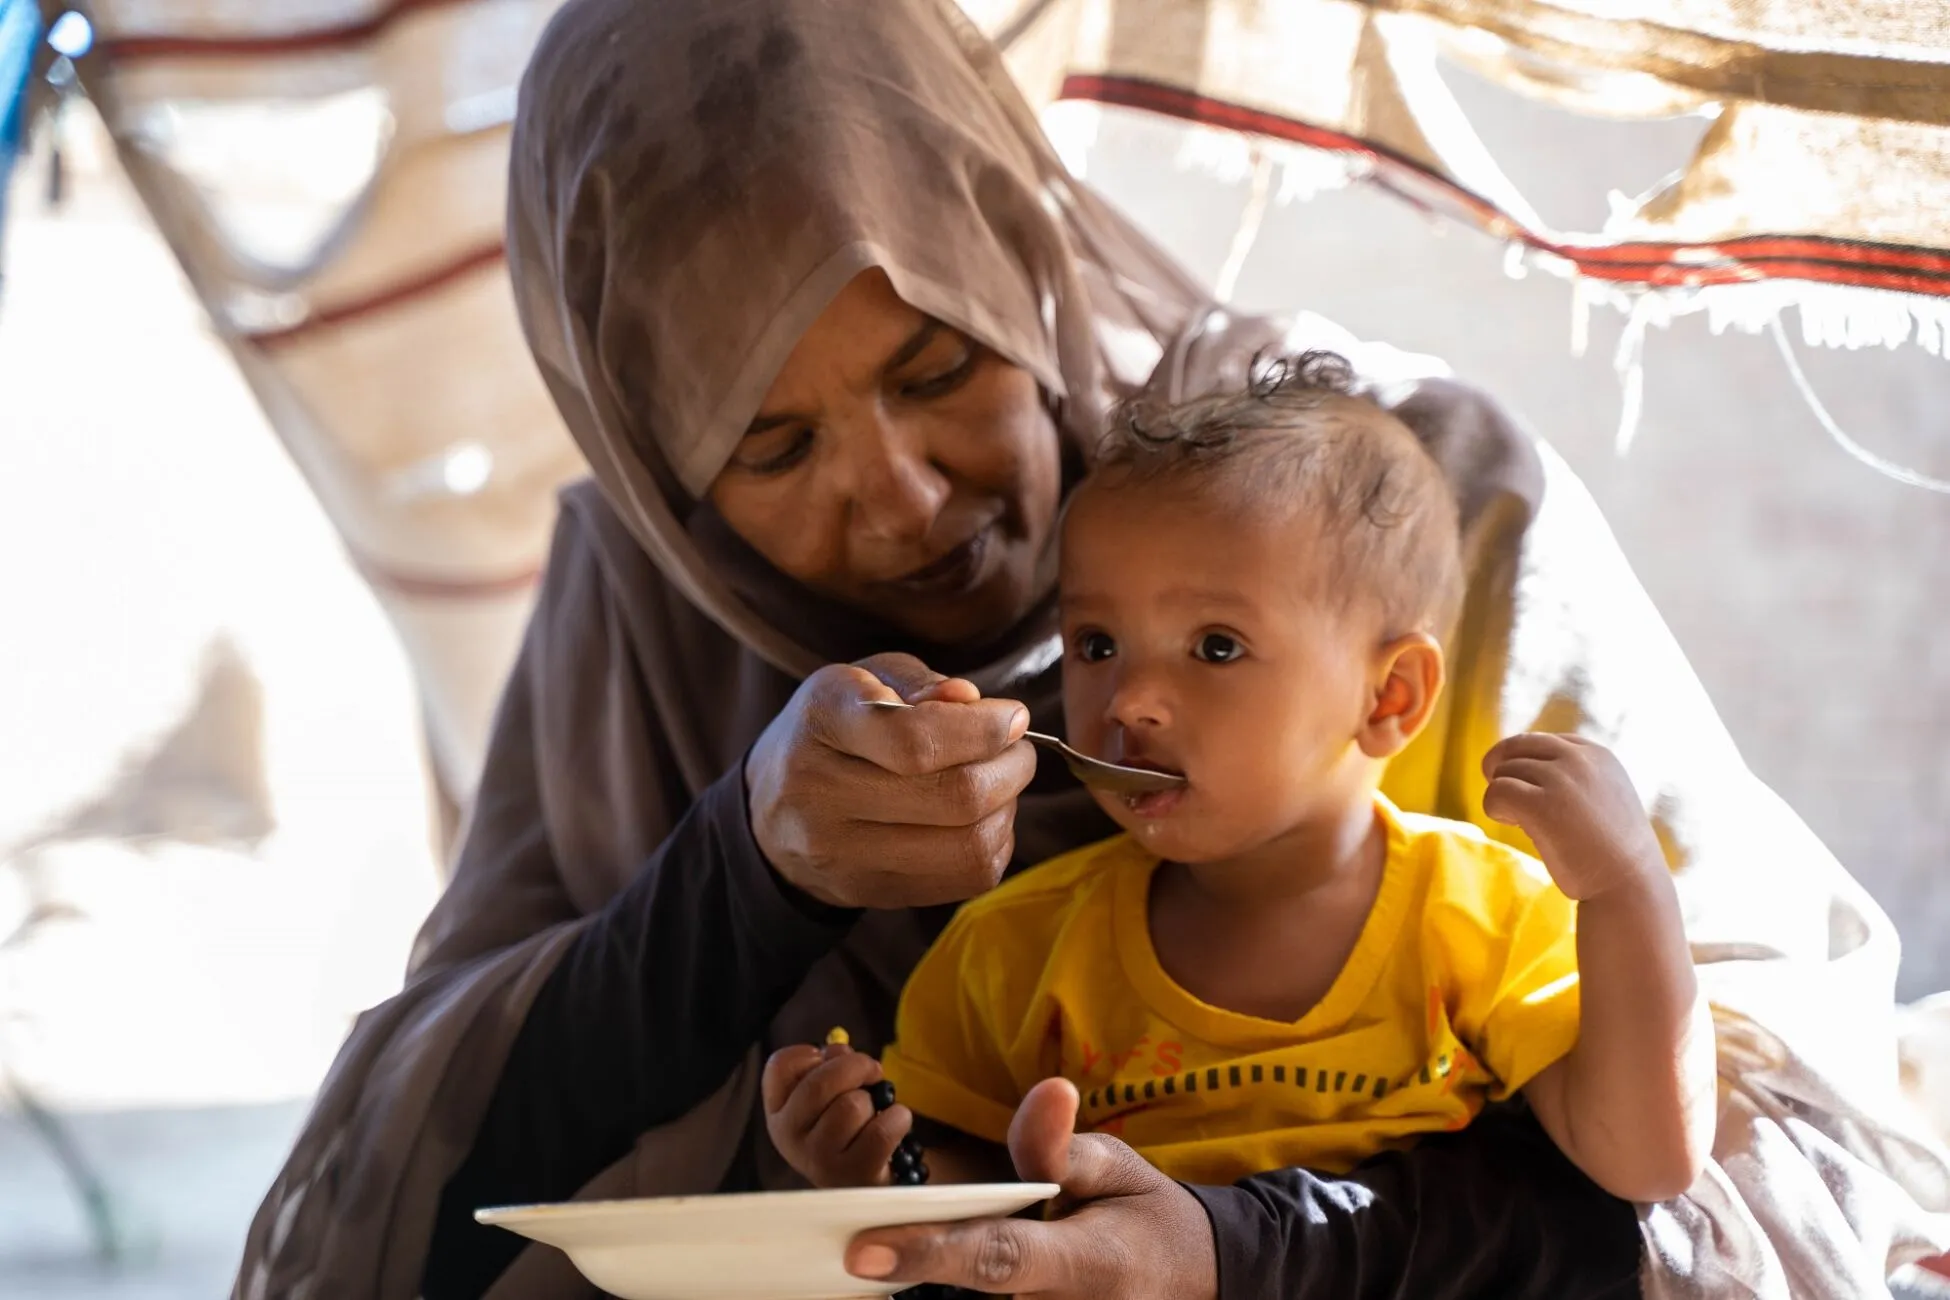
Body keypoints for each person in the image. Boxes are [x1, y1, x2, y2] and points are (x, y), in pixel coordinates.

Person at [235, 2, 1939, 1298]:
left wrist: (1248, 1245)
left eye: (936, 368)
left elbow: (1754, 1161)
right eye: (768, 450)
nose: (897, 497)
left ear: (1016, 259)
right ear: (659, 477)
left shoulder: (1402, 510)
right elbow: (428, 1202)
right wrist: (748, 880)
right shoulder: (646, 614)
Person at [766, 353, 1716, 1203]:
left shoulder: (1481, 921)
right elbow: (970, 1211)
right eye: (1096, 643)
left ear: (1390, 696)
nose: (1129, 699)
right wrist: (883, 1164)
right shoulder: (1009, 955)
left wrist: (1627, 887)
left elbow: (1644, 1163)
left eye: (1215, 646)